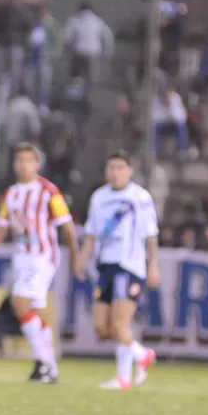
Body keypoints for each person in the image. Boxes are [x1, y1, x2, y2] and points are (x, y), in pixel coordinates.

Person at [0, 143, 81, 383]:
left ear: (37, 164)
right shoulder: (11, 193)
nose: (23, 165)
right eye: (19, 160)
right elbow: (3, 224)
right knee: (33, 311)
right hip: (21, 256)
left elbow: (66, 224)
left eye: (28, 160)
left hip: (42, 255)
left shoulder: (48, 191)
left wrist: (75, 254)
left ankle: (44, 362)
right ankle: (49, 367)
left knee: (19, 301)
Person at [79, 152, 159, 390]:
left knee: (119, 321)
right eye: (111, 167)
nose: (115, 172)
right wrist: (82, 258)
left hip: (129, 266)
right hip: (106, 266)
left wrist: (153, 264)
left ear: (129, 170)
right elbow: (91, 232)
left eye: (120, 167)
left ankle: (123, 378)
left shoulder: (140, 197)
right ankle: (140, 354)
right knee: (102, 328)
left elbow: (151, 234)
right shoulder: (99, 197)